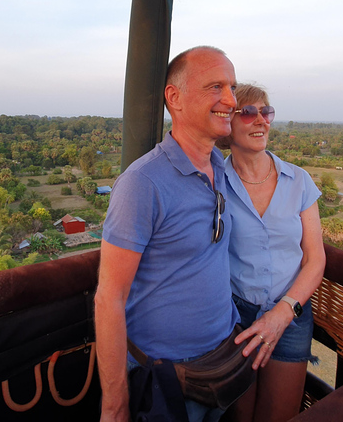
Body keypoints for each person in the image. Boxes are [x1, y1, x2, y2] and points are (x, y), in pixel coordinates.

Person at [95, 46, 242, 422]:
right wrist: (115, 404)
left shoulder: (220, 168)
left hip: (223, 362)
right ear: (174, 98)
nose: (231, 99)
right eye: (215, 87)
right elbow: (109, 297)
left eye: (232, 87)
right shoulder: (142, 183)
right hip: (167, 377)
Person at [218, 84, 326, 422]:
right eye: (248, 112)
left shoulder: (299, 181)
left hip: (291, 314)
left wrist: (284, 311)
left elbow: (315, 257)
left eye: (266, 112)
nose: (260, 120)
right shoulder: (215, 182)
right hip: (236, 318)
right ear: (228, 125)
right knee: (239, 415)